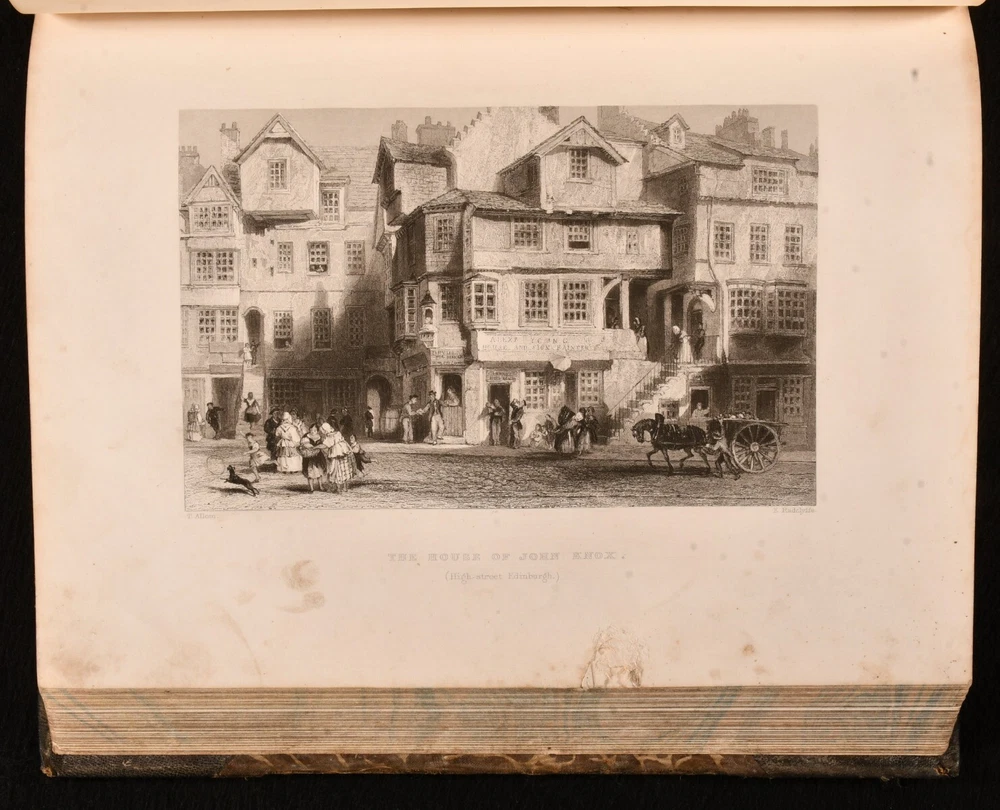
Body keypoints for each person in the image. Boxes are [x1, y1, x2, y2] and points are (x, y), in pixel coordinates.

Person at [322, 419, 358, 493]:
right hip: (344, 451)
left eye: (323, 431)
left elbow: (325, 445)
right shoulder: (337, 433)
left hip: (337, 453)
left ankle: (338, 488)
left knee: (336, 469)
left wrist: (315, 447)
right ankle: (343, 487)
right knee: (343, 468)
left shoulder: (330, 436)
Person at [299, 424, 328, 493]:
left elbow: (324, 445)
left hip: (318, 457)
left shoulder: (320, 437)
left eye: (314, 430)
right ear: (309, 430)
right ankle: (311, 488)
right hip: (309, 457)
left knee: (319, 472)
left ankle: (320, 486)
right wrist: (309, 447)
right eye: (311, 430)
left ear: (317, 431)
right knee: (310, 473)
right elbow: (304, 445)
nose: (312, 431)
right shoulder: (306, 437)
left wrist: (319, 447)